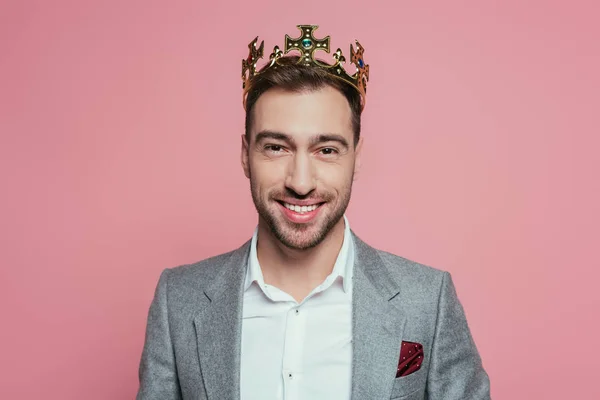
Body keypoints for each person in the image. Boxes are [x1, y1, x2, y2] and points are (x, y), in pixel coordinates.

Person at [136, 25, 491, 400]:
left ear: (356, 158)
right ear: (245, 155)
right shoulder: (178, 300)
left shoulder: (427, 301)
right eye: (276, 147)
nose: (301, 183)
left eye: (327, 150)